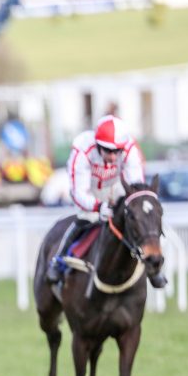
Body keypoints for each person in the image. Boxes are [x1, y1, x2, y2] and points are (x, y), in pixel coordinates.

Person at [45, 115, 146, 283]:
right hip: (90, 191)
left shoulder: (130, 149)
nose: (113, 157)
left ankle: (153, 265)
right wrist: (98, 207)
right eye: (108, 151)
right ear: (98, 145)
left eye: (117, 151)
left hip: (116, 188)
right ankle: (58, 260)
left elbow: (136, 186)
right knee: (86, 217)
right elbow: (78, 193)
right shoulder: (83, 150)